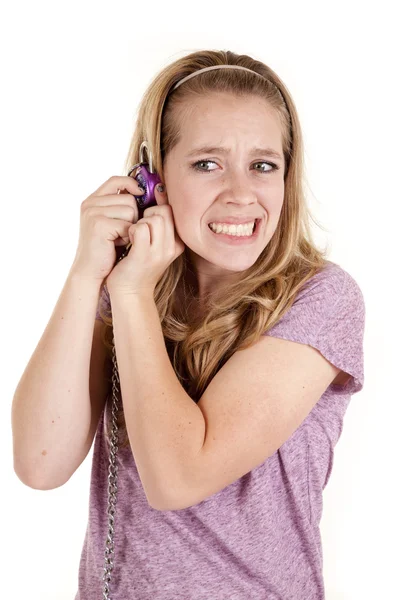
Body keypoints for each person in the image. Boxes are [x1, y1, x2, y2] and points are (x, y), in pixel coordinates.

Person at [12, 49, 365, 600]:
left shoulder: (320, 298)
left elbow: (178, 477)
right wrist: (88, 272)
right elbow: (39, 461)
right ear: (152, 179)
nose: (241, 193)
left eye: (263, 165)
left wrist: (130, 294)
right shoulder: (132, 287)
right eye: (207, 163)